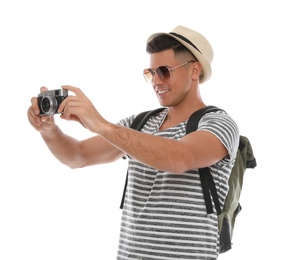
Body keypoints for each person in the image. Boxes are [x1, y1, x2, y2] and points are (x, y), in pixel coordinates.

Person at [27, 25, 239, 259]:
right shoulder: (138, 124)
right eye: (150, 73)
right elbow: (78, 156)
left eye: (164, 71)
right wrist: (48, 130)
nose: (156, 81)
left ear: (194, 70)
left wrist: (101, 124)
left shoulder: (219, 124)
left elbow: (180, 158)